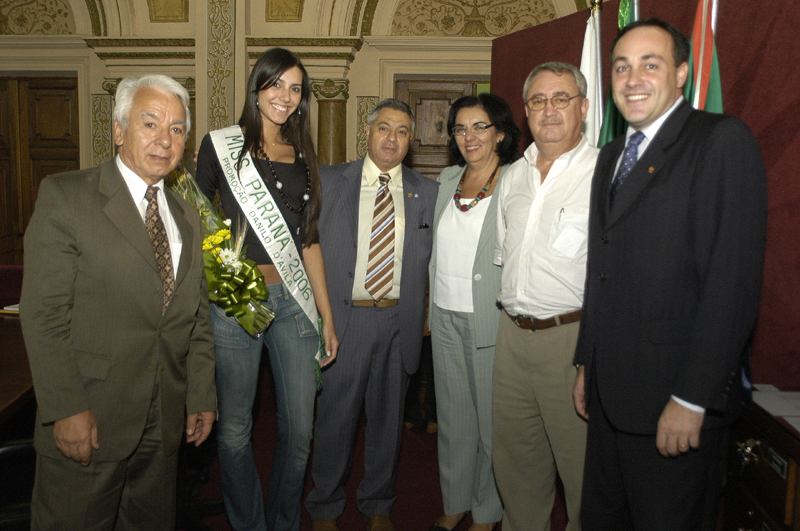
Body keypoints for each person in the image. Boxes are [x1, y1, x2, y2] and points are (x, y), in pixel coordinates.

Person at [572, 19, 767, 531]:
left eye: (649, 65)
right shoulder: (613, 154)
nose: (632, 78)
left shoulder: (722, 141)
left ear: (681, 73)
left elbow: (733, 284)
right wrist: (586, 361)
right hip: (610, 398)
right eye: (621, 66)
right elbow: (603, 268)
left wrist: (692, 396)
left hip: (672, 402)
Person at [20, 74, 217, 530]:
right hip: (89, 417)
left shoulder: (189, 217)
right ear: (118, 130)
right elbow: (44, 315)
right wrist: (65, 408)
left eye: (177, 129)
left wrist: (201, 393)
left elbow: (197, 317)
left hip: (164, 421)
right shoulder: (67, 196)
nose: (164, 140)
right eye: (150, 123)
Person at [195, 47, 338, 531]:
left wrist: (326, 317)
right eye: (276, 84)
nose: (285, 96)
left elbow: (309, 240)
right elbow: (196, 218)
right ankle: (248, 523)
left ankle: (282, 522)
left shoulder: (302, 154)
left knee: (299, 432)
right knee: (235, 429)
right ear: (257, 87)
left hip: (294, 303)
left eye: (295, 89)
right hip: (236, 301)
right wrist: (229, 277)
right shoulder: (220, 146)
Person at [306, 98, 438, 531]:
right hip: (346, 321)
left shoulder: (428, 192)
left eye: (402, 131)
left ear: (410, 141)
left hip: (399, 323)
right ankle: (324, 504)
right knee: (334, 420)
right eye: (384, 128)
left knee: (388, 423)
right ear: (367, 131)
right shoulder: (327, 181)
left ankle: (378, 502)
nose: (392, 139)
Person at [493, 62, 598, 531]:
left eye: (561, 98)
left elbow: (616, 277)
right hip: (512, 338)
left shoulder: (606, 173)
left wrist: (593, 356)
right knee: (516, 467)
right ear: (526, 112)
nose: (549, 110)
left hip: (571, 341)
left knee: (582, 474)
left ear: (584, 107)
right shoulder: (512, 176)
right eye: (538, 100)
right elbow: (503, 255)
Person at [427, 93, 521, 531]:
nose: (469, 137)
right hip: (444, 316)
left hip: (490, 319)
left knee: (489, 426)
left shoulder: (515, 181)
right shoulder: (448, 179)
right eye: (460, 128)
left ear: (500, 132)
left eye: (480, 126)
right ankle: (455, 501)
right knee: (453, 420)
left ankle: (486, 512)